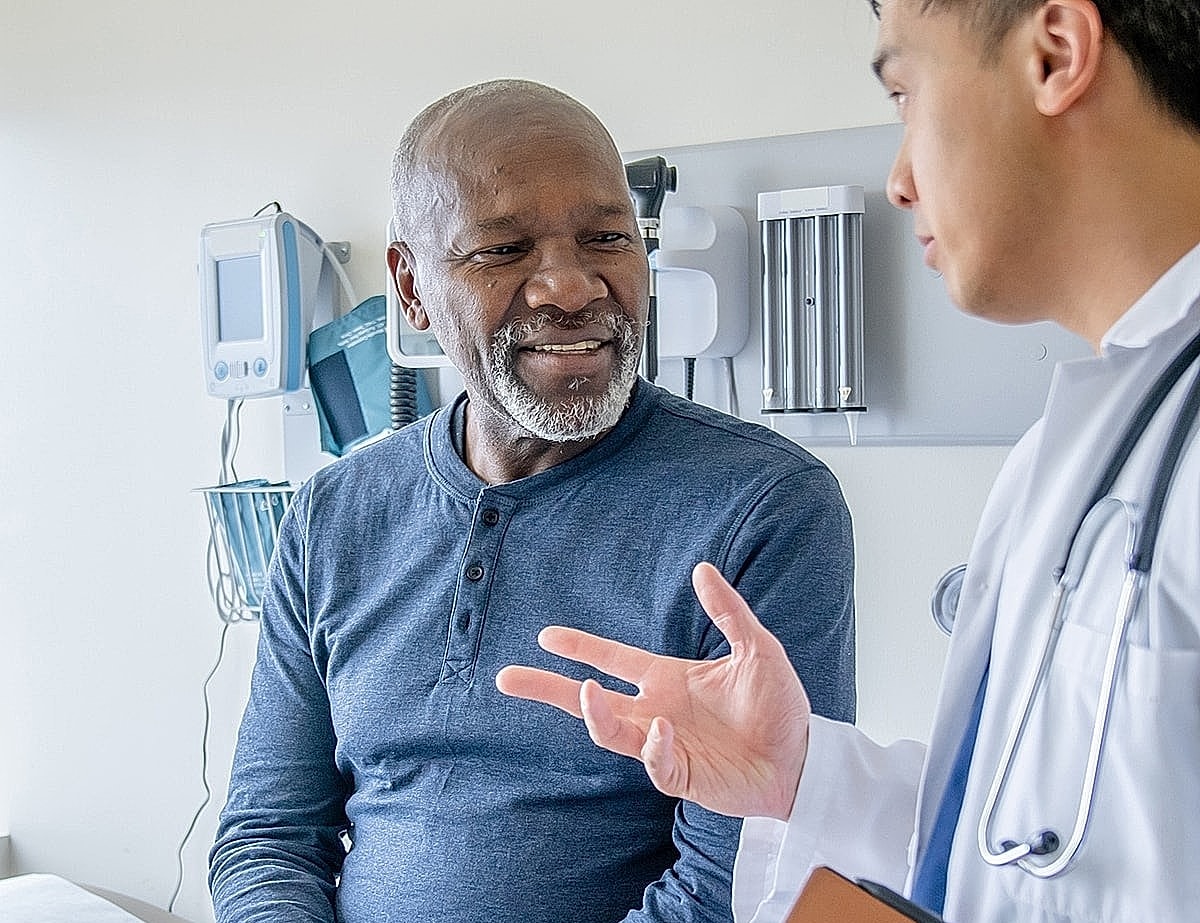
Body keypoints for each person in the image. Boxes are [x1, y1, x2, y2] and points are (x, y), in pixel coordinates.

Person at [496, 2, 1200, 921]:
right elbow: (1037, 842)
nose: (899, 179)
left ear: (1055, 55)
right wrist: (801, 773)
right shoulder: (1086, 442)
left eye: (906, 93)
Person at [207, 79, 857, 923]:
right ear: (410, 288)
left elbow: (737, 889)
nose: (570, 286)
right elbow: (268, 834)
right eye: (505, 250)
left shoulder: (762, 509)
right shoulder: (335, 514)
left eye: (605, 238)